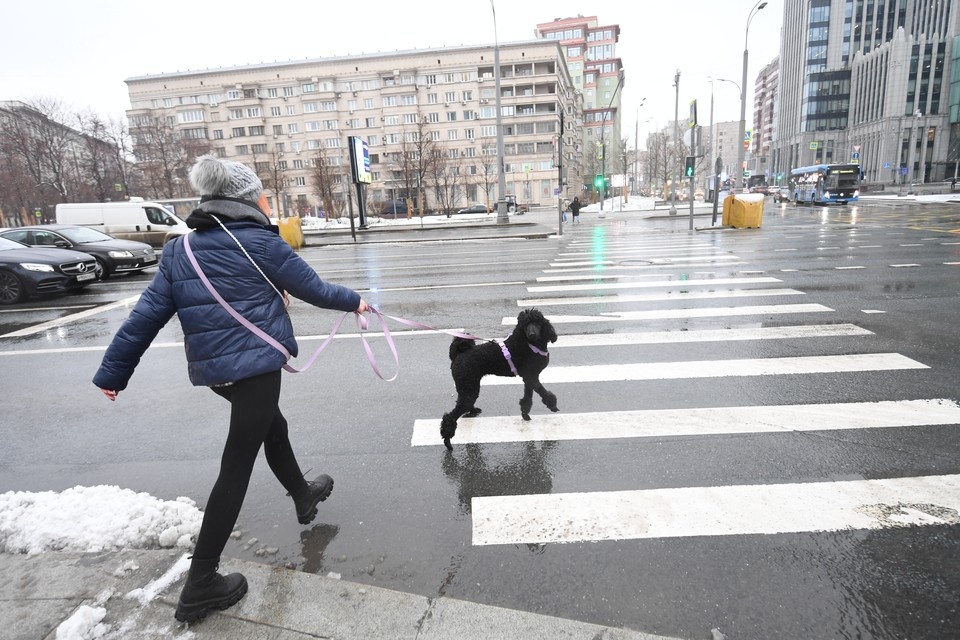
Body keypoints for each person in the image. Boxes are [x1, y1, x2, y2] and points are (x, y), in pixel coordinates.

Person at [93, 155, 369, 623]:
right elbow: (314, 288)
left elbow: (145, 316)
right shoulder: (260, 241)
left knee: (269, 425)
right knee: (237, 463)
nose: (266, 201)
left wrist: (113, 373)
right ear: (246, 200)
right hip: (256, 367)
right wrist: (357, 301)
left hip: (216, 373)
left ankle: (302, 494)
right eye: (262, 194)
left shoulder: (180, 249)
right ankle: (200, 584)